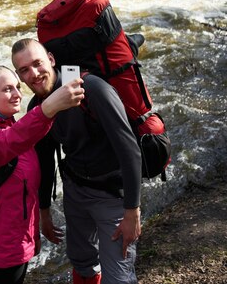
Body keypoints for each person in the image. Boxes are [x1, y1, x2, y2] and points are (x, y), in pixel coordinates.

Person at [11, 38, 142, 284]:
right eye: (24, 70)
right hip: (75, 191)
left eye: (37, 64)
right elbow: (45, 160)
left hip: (112, 195)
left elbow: (129, 150)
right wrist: (44, 211)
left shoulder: (91, 88)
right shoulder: (38, 107)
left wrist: (132, 210)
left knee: (119, 277)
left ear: (51, 59)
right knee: (82, 261)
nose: (34, 74)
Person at [0, 64, 84, 284]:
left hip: (15, 241)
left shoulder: (4, 123)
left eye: (17, 87)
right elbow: (15, 138)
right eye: (8, 89)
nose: (17, 94)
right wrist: (48, 107)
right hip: (1, 249)